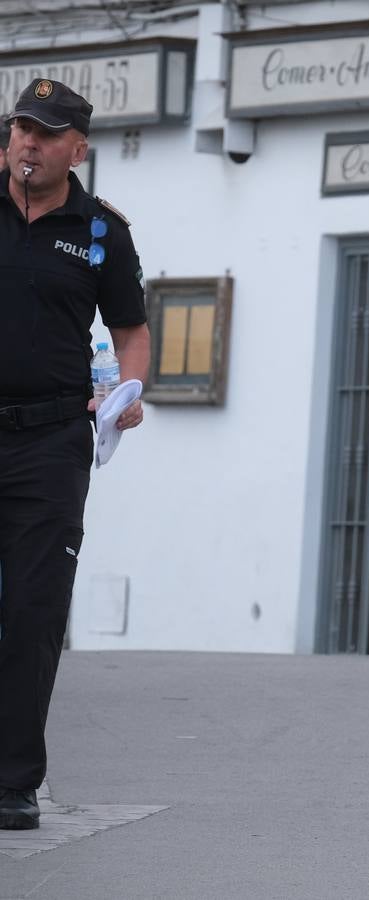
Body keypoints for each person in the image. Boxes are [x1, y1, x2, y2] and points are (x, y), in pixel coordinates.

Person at [0, 79, 149, 830]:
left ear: (77, 148)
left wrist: (127, 390)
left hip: (52, 442)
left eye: (46, 132)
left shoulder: (101, 232)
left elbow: (129, 330)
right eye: (22, 127)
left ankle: (13, 782)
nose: (30, 141)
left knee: (32, 608)